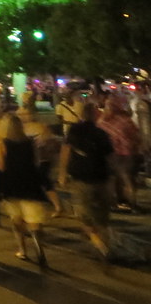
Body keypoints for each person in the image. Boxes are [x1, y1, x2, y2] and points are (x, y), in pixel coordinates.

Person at [59, 102, 114, 259]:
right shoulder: (102, 133)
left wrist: (62, 173)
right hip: (101, 178)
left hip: (80, 178)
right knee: (103, 216)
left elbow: (65, 151)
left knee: (83, 214)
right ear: (96, 115)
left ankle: (97, 241)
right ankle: (105, 244)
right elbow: (110, 158)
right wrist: (112, 179)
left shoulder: (74, 130)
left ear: (81, 114)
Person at [0, 115, 50, 265]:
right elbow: (37, 161)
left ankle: (22, 250)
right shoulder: (30, 143)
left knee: (16, 219)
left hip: (12, 184)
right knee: (34, 219)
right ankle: (38, 246)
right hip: (30, 182)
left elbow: (2, 166)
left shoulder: (4, 144)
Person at [98, 95, 142, 212]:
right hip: (127, 155)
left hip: (110, 155)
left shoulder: (102, 121)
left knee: (114, 179)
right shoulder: (126, 120)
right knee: (129, 180)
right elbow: (136, 136)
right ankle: (133, 205)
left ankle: (117, 202)